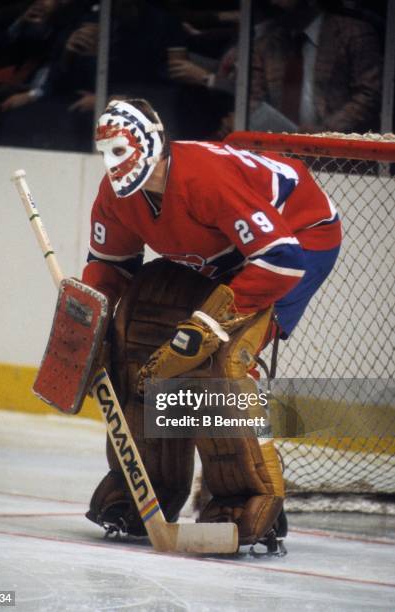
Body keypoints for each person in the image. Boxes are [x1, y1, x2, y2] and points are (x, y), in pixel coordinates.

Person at [82, 97, 341, 551]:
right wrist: (93, 327)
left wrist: (207, 325)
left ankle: (247, 497)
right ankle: (148, 487)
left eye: (119, 151)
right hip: (227, 254)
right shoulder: (115, 196)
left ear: (151, 145)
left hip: (301, 238)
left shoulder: (206, 178)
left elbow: (281, 258)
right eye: (104, 153)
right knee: (138, 336)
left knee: (220, 361)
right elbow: (109, 267)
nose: (110, 164)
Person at [249, 0, 382, 133]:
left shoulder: (352, 34)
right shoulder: (268, 43)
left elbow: (369, 93)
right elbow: (254, 98)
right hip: (280, 144)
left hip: (340, 146)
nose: (273, 2)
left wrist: (326, 130)